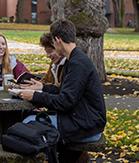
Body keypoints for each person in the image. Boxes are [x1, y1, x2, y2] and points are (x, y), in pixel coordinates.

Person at [18, 19, 106, 162]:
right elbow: (65, 92)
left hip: (86, 124)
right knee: (29, 118)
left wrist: (35, 96)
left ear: (58, 40)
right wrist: (43, 88)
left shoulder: (77, 63)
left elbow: (65, 101)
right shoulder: (75, 59)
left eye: (53, 41)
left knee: (27, 123)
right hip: (82, 119)